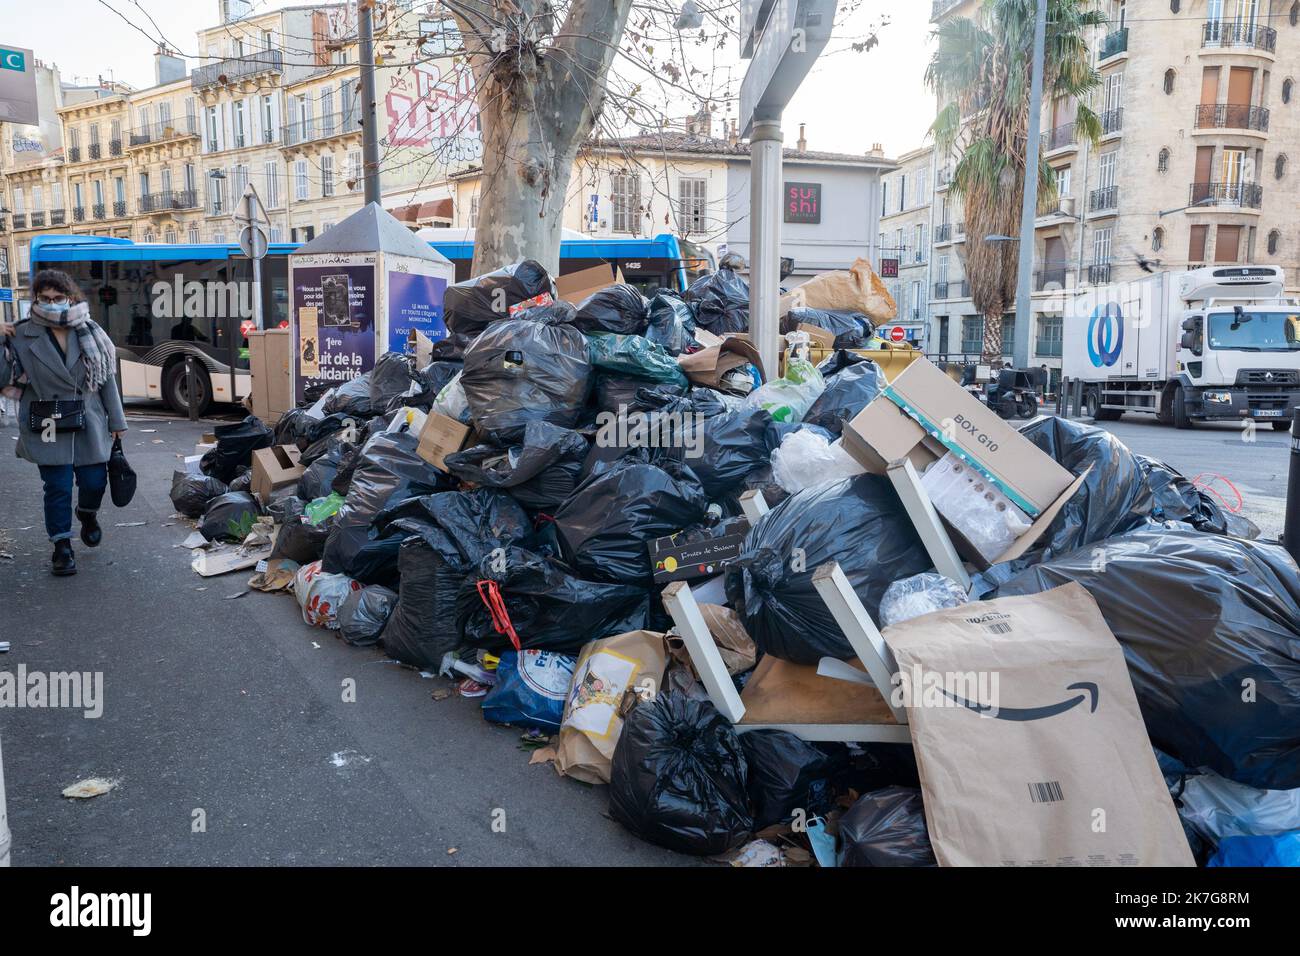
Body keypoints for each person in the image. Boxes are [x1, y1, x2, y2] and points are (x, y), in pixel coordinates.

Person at [0, 269, 127, 576]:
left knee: (94, 482)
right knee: (57, 487)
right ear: (35, 299)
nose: (51, 303)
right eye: (44, 298)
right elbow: (3, 378)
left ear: (70, 298)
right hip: (46, 420)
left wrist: (117, 420)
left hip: (89, 419)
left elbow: (106, 379)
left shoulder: (91, 330)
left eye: (58, 297)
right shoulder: (21, 333)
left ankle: (87, 513)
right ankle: (61, 546)